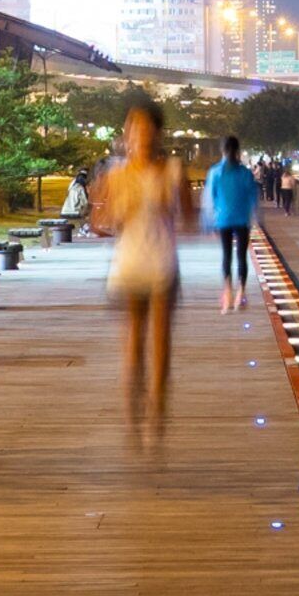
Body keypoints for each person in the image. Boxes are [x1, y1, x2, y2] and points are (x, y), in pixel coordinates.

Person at [99, 99, 191, 434]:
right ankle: (132, 405)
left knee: (161, 339)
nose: (139, 135)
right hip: (129, 263)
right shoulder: (116, 174)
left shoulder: (172, 170)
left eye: (146, 128)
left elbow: (189, 219)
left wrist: (167, 202)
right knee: (134, 340)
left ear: (157, 132)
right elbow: (104, 221)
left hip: (162, 261)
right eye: (133, 128)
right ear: (127, 134)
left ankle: (158, 402)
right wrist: (120, 210)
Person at [203, 137, 261, 311]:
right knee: (242, 257)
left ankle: (227, 292)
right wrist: (257, 218)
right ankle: (241, 293)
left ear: (222, 150)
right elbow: (253, 198)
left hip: (223, 219)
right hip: (242, 219)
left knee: (226, 255)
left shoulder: (214, 172)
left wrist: (208, 222)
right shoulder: (245, 173)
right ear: (237, 151)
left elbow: (209, 199)